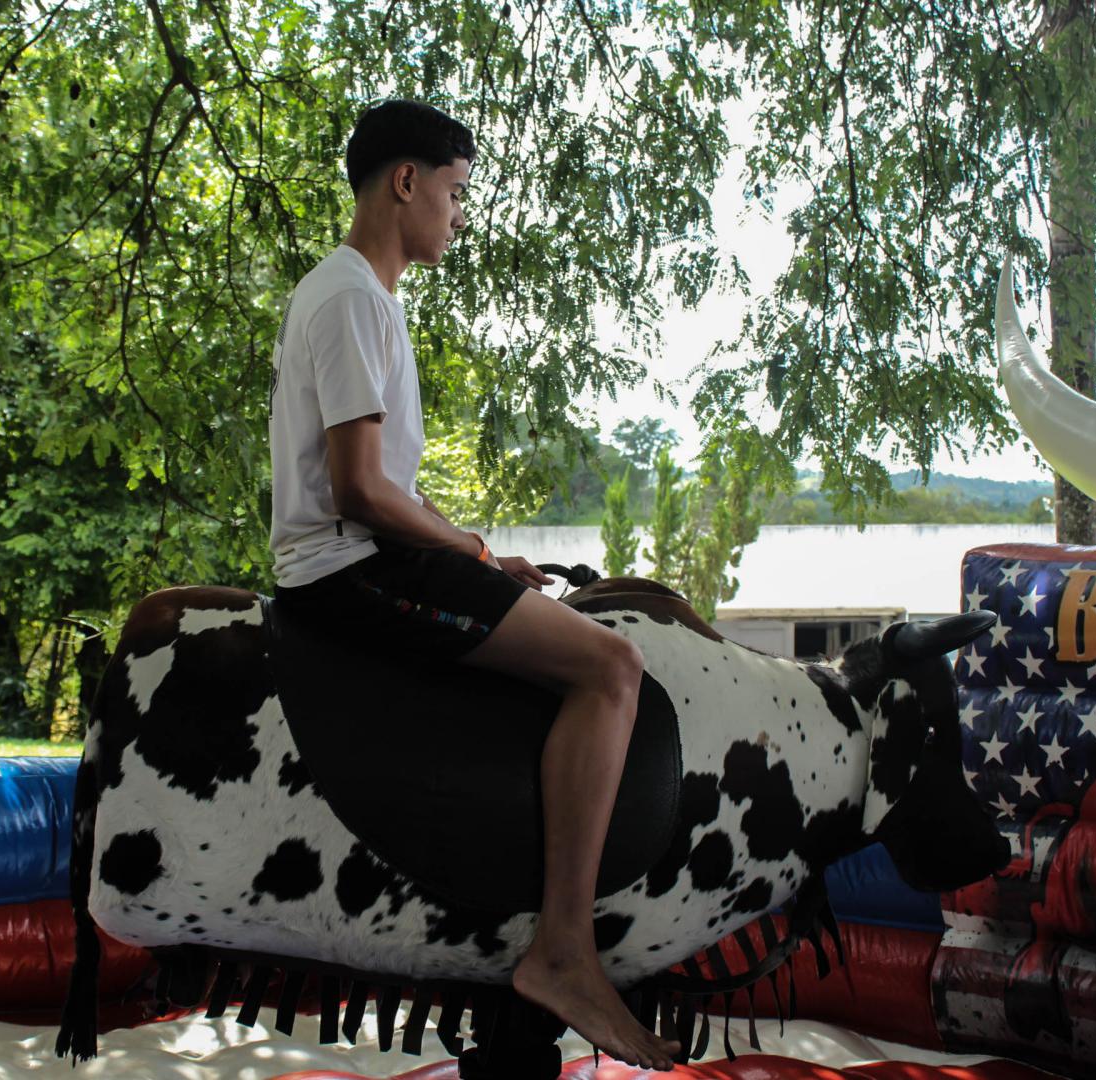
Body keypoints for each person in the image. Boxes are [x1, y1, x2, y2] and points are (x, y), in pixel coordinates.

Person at [267, 100, 680, 1071]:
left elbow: (381, 484)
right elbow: (361, 492)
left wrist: (475, 560)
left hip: (368, 557)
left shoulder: (360, 297)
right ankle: (564, 952)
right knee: (611, 667)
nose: (460, 215)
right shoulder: (351, 298)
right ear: (406, 182)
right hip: (348, 573)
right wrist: (467, 550)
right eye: (455, 193)